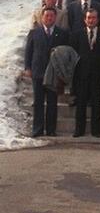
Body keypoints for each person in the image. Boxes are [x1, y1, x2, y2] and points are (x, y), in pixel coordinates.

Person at [24, 8, 69, 137]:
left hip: (54, 73)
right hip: (38, 71)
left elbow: (65, 53)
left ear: (55, 18)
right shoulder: (34, 33)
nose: (49, 18)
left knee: (52, 102)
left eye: (51, 16)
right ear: (42, 17)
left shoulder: (62, 33)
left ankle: (51, 129)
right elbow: (29, 51)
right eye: (47, 16)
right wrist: (28, 67)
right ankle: (37, 129)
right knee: (38, 102)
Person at [71, 9, 100, 137]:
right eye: (89, 18)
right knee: (81, 103)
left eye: (93, 18)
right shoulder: (77, 34)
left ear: (97, 20)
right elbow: (74, 54)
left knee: (96, 103)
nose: (91, 20)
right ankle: (79, 130)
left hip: (97, 74)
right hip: (82, 74)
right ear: (85, 19)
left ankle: (96, 130)